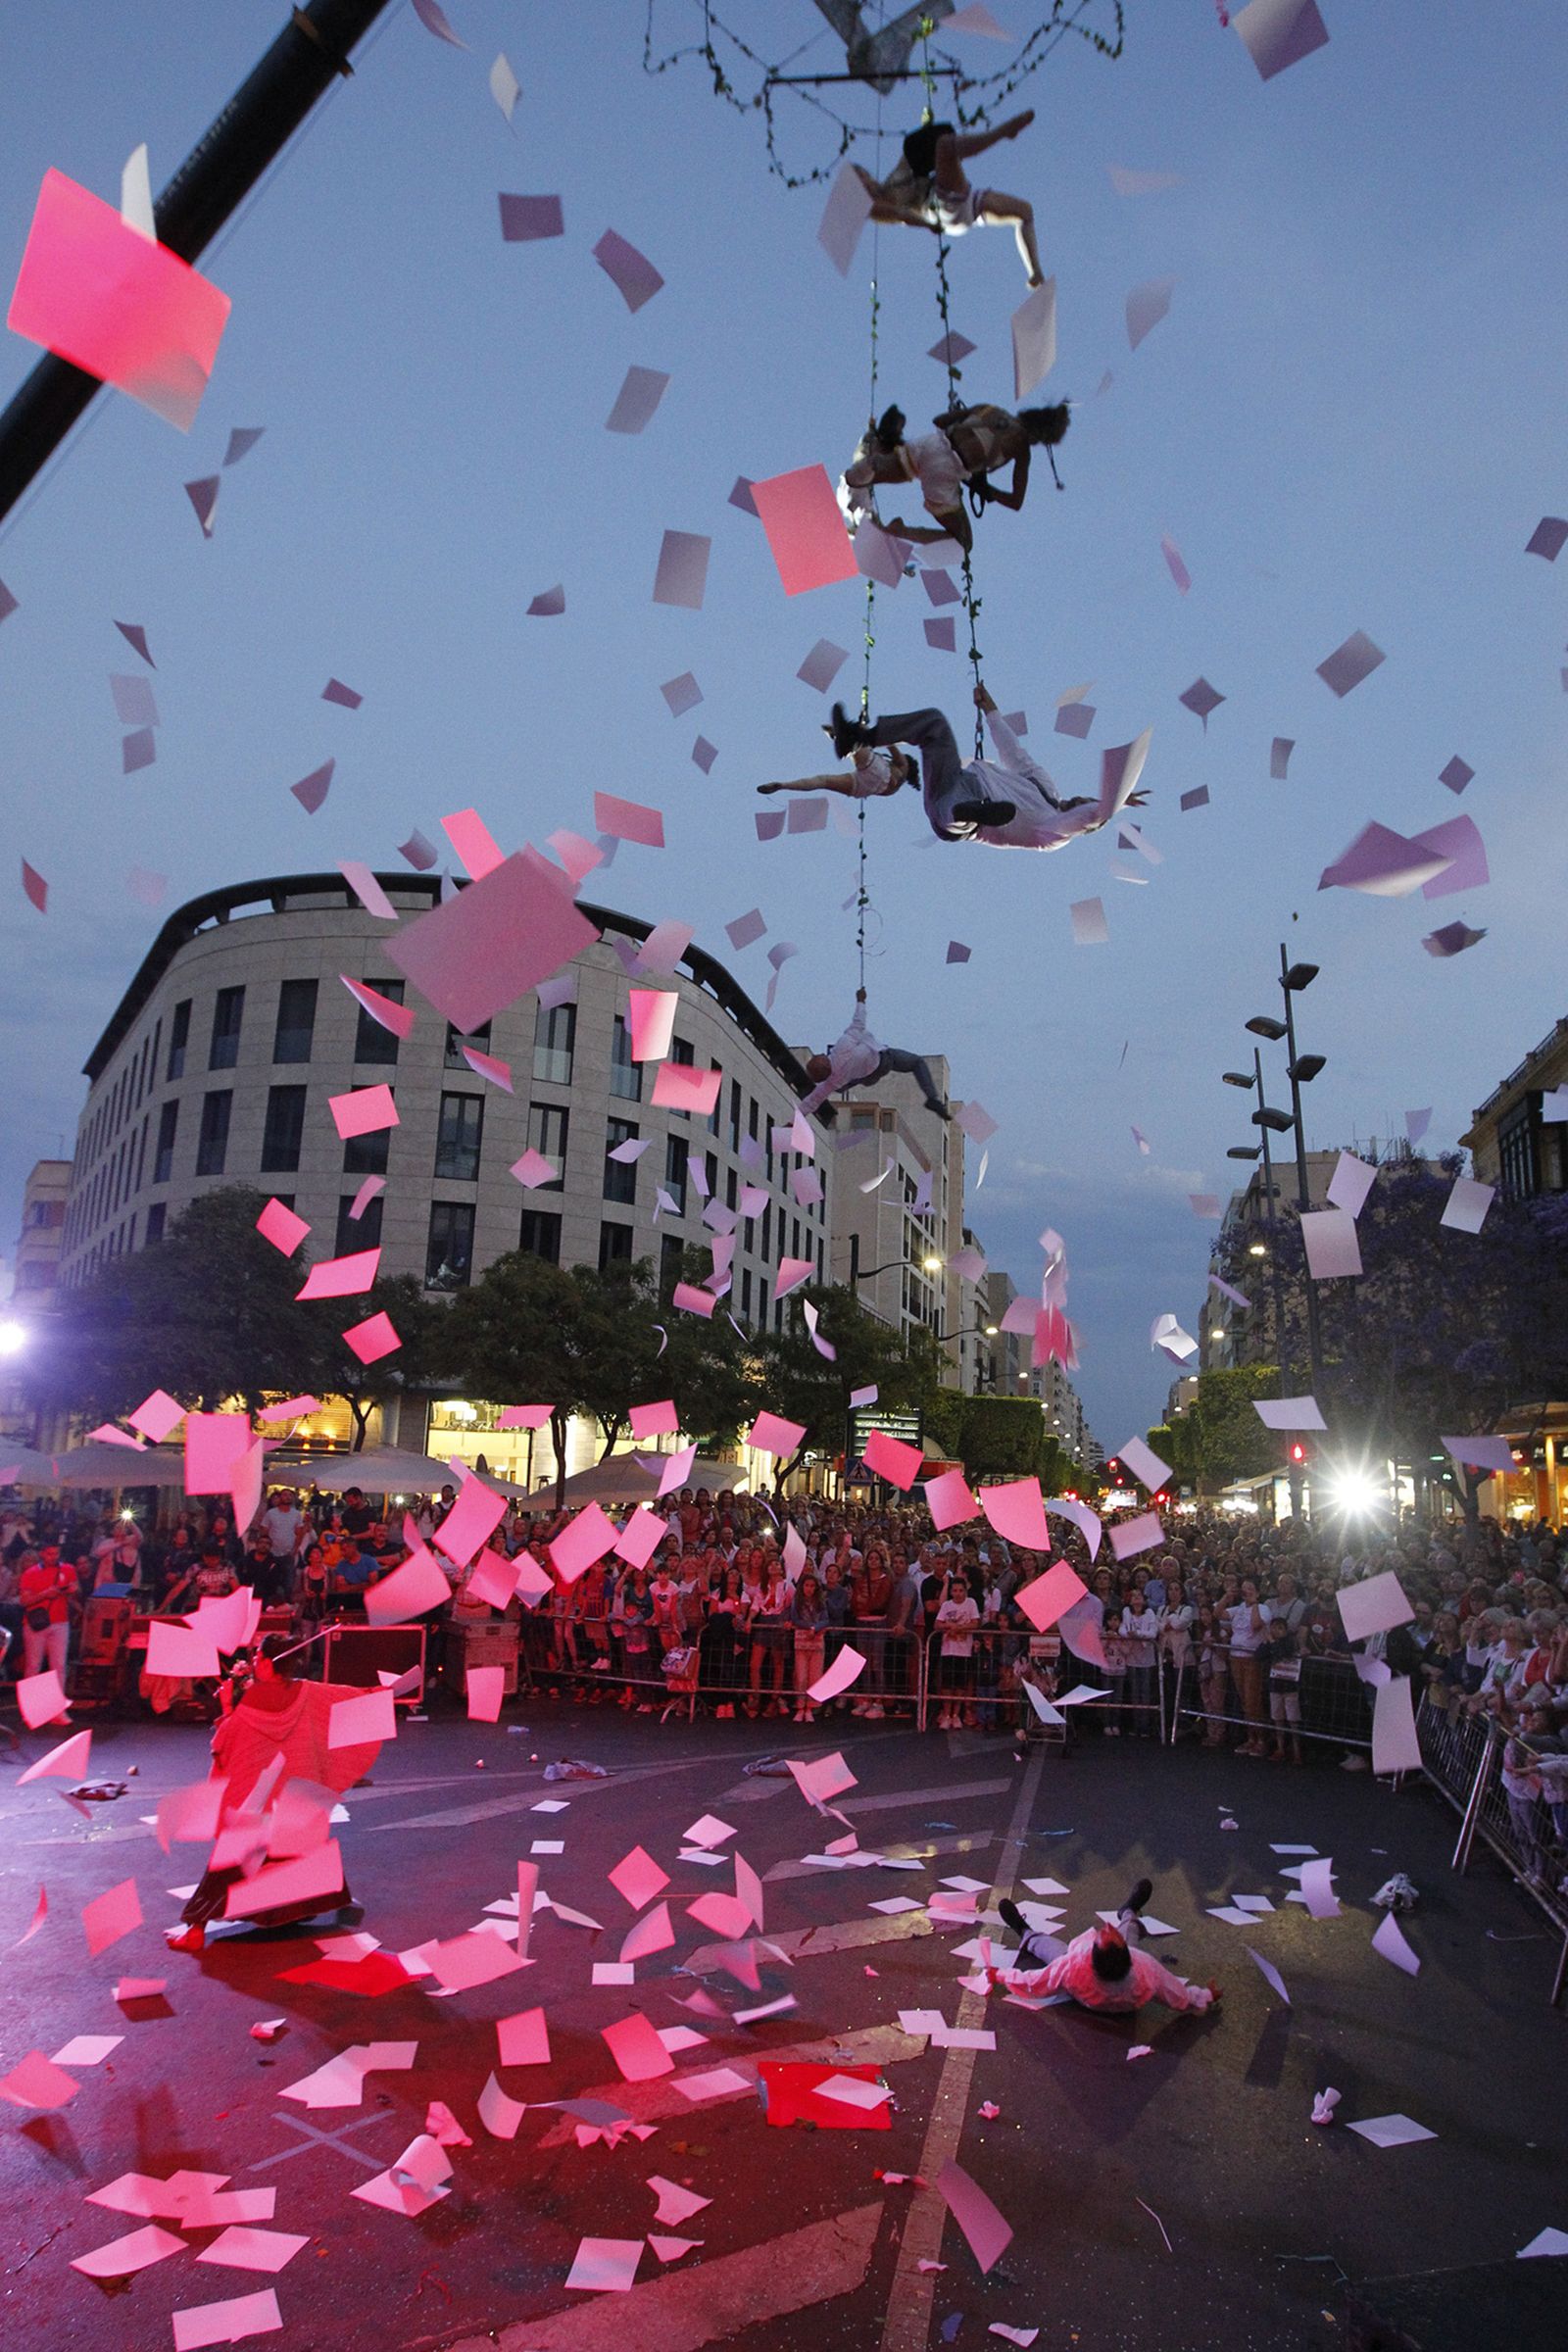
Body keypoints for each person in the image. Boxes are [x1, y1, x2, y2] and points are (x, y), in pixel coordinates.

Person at [173, 1634, 384, 1946]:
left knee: (233, 1862)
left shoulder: (253, 1702)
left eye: (258, 1657)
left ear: (270, 1665)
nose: (255, 1661)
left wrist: (227, 1705)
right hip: (296, 1794)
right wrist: (380, 1692)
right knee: (303, 1848)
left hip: (260, 1798)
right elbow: (348, 1697)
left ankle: (195, 1930)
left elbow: (225, 1744)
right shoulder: (309, 1691)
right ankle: (327, 1904)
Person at [807, 685, 1148, 848]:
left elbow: (1085, 818)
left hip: (959, 813)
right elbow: (1016, 755)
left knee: (960, 813)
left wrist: (1110, 805)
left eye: (1085, 807)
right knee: (935, 723)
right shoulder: (1047, 789)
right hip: (959, 778)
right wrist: (991, 711)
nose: (1079, 802)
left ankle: (975, 813)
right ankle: (856, 737)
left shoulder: (1054, 831)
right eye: (1084, 799)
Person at [838, 396, 1069, 553]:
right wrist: (987, 489)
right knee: (963, 543)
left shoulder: (990, 409)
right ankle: (901, 531)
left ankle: (865, 469)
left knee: (872, 474)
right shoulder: (1021, 447)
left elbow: (939, 421)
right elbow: (1015, 502)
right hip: (947, 472)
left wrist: (962, 421)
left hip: (930, 446)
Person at [853, 111, 1044, 284]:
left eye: (862, 173)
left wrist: (926, 130)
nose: (864, 179)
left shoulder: (894, 178)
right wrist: (928, 225)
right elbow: (901, 215)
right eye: (858, 179)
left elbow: (910, 157)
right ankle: (1001, 133)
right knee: (945, 146)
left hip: (965, 206)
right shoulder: (874, 206)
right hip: (940, 209)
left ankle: (1035, 273)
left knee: (1024, 212)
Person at [995, 1878, 1220, 2016]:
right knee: (1129, 1929)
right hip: (1127, 2007)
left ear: (1090, 1955)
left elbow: (1035, 1982)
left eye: (1105, 1935)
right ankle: (1129, 1911)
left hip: (1087, 2000)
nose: (1106, 1928)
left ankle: (1024, 1931)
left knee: (1050, 1949)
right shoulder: (1143, 1967)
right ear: (1127, 1954)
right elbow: (1176, 1994)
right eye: (1111, 1935)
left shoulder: (1073, 1966)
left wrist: (999, 1975)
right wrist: (1207, 1995)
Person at [793, 988, 950, 1120]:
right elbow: (858, 1022)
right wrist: (861, 1001)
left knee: (839, 1084)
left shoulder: (830, 1083)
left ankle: (845, 1083)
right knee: (917, 1063)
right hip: (884, 1060)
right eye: (818, 1057)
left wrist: (794, 1120)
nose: (819, 1053)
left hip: (868, 1077)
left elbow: (813, 1101)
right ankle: (932, 1098)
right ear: (823, 1061)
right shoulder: (841, 1047)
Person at [19, 1543, 74, 1684]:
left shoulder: (68, 1569)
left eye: (56, 1553)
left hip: (60, 1622)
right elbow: (24, 1601)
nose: (53, 1557)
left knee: (59, 1665)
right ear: (42, 1554)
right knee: (33, 1665)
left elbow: (76, 1589)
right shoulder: (30, 1573)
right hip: (36, 1623)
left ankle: (58, 1704)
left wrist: (72, 1590)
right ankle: (30, 1704)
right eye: (50, 1554)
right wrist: (45, 1595)